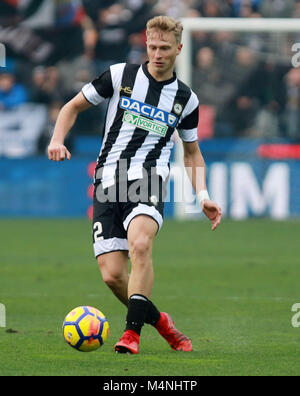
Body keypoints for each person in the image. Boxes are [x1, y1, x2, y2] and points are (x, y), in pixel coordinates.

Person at [48, 15, 222, 354]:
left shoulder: (186, 99)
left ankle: (131, 335)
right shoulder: (119, 76)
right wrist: (57, 139)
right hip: (107, 181)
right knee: (113, 275)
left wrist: (203, 195)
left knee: (141, 245)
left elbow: (191, 152)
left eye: (165, 48)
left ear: (179, 49)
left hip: (148, 178)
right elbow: (72, 107)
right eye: (152, 47)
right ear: (146, 45)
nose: (157, 54)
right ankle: (161, 322)